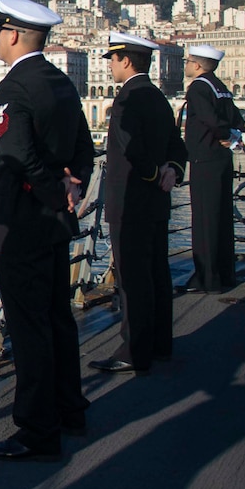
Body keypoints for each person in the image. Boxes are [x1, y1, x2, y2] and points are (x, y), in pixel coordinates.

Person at [0, 0, 95, 463]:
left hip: (22, 224)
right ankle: (70, 409)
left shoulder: (13, 88)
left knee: (28, 328)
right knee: (57, 318)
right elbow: (85, 146)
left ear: (11, 34)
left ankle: (36, 430)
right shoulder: (61, 82)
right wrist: (71, 188)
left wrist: (51, 191)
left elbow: (18, 157)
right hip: (54, 223)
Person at [90, 33, 187, 375]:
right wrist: (171, 171)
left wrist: (151, 173)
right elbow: (177, 144)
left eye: (113, 60)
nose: (111, 66)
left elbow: (131, 149)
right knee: (157, 274)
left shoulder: (126, 100)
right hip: (158, 202)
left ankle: (133, 350)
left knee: (132, 280)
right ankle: (160, 343)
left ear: (126, 61)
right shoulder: (159, 98)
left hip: (130, 203)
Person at [180, 44, 243, 293]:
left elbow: (207, 119)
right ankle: (225, 274)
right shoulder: (220, 87)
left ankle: (206, 279)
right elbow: (237, 119)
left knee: (205, 220)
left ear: (196, 65)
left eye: (188, 61)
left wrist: (223, 132)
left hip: (204, 159)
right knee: (222, 218)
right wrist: (232, 135)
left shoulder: (198, 87)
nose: (186, 65)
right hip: (222, 159)